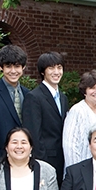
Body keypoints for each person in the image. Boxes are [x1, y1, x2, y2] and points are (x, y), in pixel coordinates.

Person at [21, 52, 68, 183]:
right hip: (45, 160)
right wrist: (40, 163)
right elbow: (33, 134)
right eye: (51, 68)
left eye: (59, 67)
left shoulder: (63, 98)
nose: (56, 72)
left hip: (63, 159)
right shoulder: (34, 97)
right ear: (43, 71)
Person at [62, 70, 96, 169]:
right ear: (84, 91)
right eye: (92, 88)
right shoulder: (77, 111)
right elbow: (70, 147)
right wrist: (76, 172)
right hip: (82, 170)